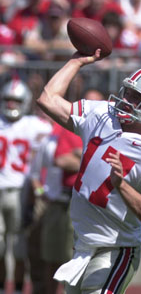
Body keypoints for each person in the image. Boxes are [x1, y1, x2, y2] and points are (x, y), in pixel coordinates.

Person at [36, 49, 141, 294]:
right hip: (82, 244)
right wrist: (77, 61)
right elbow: (48, 99)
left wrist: (122, 185)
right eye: (126, 91)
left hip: (116, 250)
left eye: (136, 97)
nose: (126, 99)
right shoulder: (102, 115)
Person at [0, 77, 52, 294]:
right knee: (0, 248)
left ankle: (19, 289)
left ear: (25, 101)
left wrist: (40, 189)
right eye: (8, 100)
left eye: (16, 100)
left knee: (21, 248)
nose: (11, 105)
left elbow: (49, 154)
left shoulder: (36, 126)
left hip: (23, 192)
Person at [27, 122, 82, 294]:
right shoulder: (48, 140)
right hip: (54, 201)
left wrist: (80, 158)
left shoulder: (82, 135)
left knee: (73, 257)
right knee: (49, 256)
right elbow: (36, 172)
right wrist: (41, 192)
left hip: (78, 202)